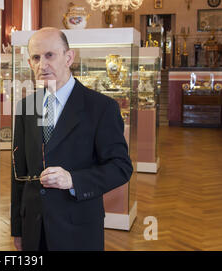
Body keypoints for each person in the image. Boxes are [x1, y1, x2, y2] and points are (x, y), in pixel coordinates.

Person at [11, 27, 133, 251]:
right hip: (34, 230)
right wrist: (17, 229)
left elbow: (121, 167)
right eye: (36, 58)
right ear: (29, 63)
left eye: (50, 55)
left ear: (69, 57)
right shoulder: (26, 107)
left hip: (78, 229)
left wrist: (73, 180)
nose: (42, 64)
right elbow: (19, 173)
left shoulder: (101, 107)